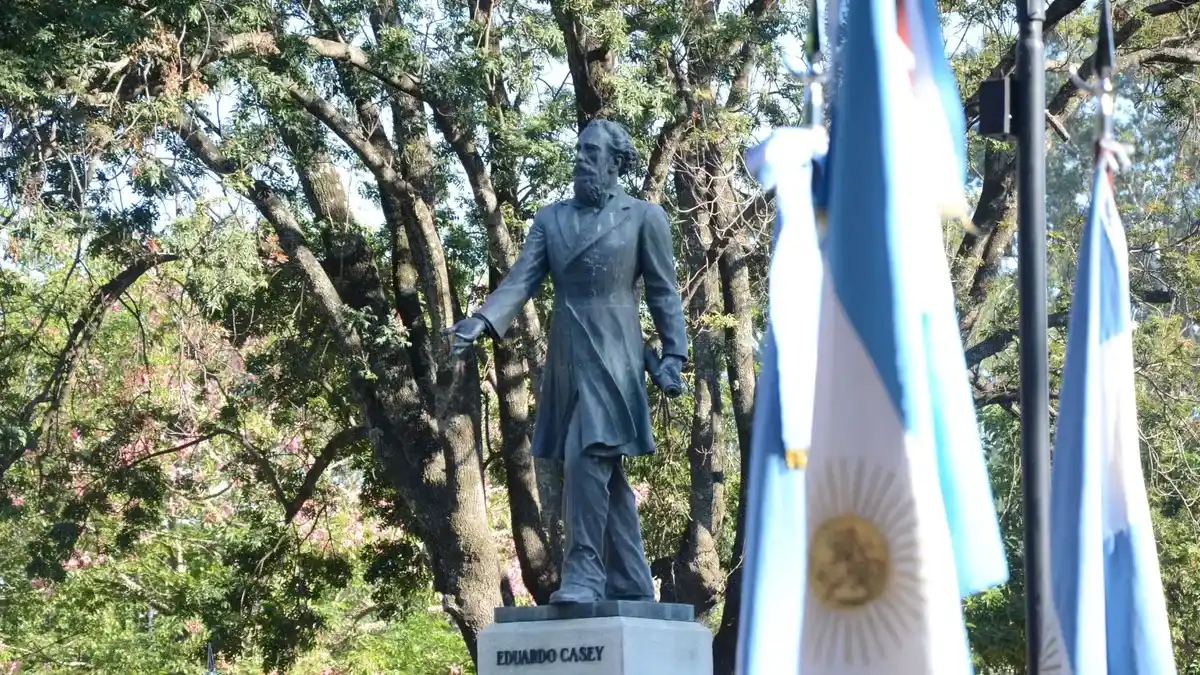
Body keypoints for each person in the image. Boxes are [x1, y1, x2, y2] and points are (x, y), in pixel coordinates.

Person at [446, 119, 688, 604]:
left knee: (586, 456)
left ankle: (584, 576)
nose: (581, 158)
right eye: (579, 149)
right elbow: (521, 280)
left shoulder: (644, 217)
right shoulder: (550, 220)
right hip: (565, 357)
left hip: (617, 358)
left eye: (593, 151)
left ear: (616, 163)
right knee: (600, 467)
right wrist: (481, 321)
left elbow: (664, 292)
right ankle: (633, 583)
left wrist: (673, 356)